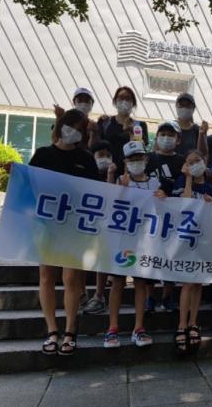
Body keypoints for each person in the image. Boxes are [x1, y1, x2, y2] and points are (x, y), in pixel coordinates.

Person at [29, 109, 99, 356]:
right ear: (61, 126)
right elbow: (29, 185)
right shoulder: (43, 154)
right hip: (46, 225)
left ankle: (70, 330)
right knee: (46, 276)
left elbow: (96, 192)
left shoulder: (86, 158)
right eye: (72, 126)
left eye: (80, 129)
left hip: (75, 226)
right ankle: (51, 330)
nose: (75, 132)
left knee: (71, 278)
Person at [103, 141, 164, 349]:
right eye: (131, 159)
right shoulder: (122, 180)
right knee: (118, 282)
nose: (136, 162)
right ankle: (112, 328)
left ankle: (139, 327)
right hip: (122, 239)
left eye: (139, 157)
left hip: (144, 240)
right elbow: (111, 205)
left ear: (146, 159)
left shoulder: (154, 183)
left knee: (140, 283)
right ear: (125, 162)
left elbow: (161, 210)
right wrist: (119, 187)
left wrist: (162, 198)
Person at [172, 150, 212, 354]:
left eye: (197, 161)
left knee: (198, 282)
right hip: (185, 239)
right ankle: (181, 324)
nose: (194, 165)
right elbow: (185, 203)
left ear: (204, 162)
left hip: (204, 240)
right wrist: (188, 178)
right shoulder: (181, 182)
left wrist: (211, 204)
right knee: (188, 282)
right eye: (189, 162)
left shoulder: (211, 188)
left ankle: (193, 322)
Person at [145, 121, 186, 312]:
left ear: (178, 139)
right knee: (150, 256)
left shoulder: (181, 161)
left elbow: (183, 186)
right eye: (162, 134)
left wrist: (169, 197)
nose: (166, 138)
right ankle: (150, 297)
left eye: (170, 135)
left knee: (170, 256)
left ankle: (167, 296)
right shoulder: (148, 158)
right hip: (150, 214)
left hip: (173, 215)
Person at [79, 140, 115, 315]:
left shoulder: (117, 176)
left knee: (102, 259)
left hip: (106, 227)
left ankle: (99, 296)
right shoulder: (85, 174)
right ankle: (81, 293)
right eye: (101, 155)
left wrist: (110, 176)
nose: (105, 158)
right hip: (85, 223)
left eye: (108, 155)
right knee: (79, 257)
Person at [98, 86, 149, 173]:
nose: (124, 101)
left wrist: (131, 132)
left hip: (130, 171)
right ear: (115, 101)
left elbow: (142, 148)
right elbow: (98, 147)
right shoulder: (105, 122)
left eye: (128, 98)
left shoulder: (140, 125)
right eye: (121, 98)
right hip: (107, 170)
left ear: (133, 103)